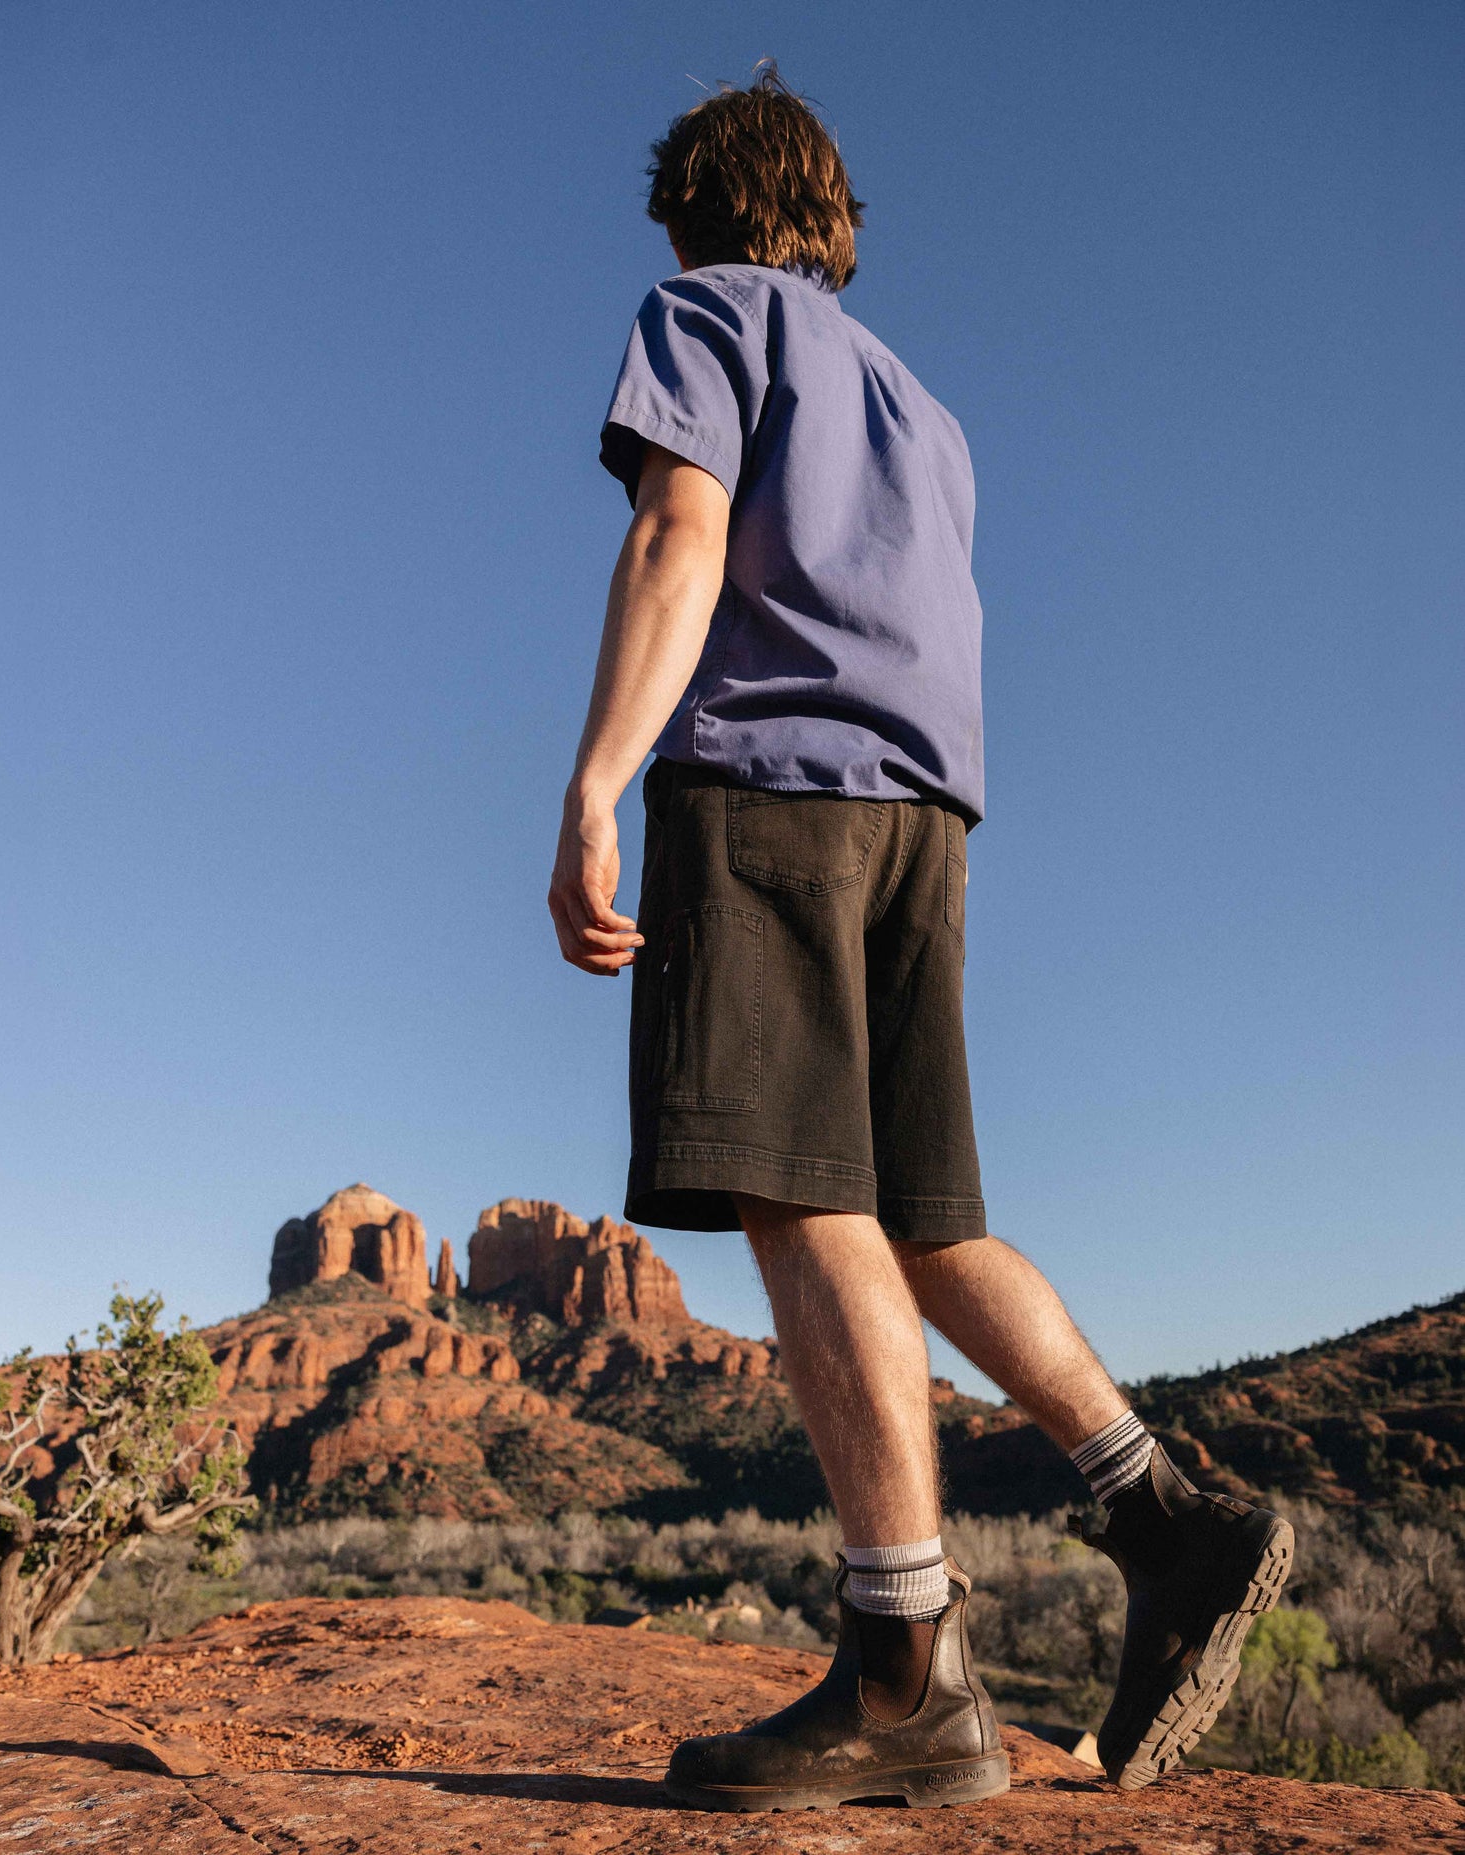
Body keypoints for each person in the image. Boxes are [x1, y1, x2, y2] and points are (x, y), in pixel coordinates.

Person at [547, 64, 1293, 1812]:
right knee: (925, 1219)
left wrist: (596, 781)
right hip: (924, 821)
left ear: (700, 207)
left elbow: (680, 530)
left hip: (771, 799)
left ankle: (906, 1675)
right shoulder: (919, 405)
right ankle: (1165, 1517)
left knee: (797, 1198)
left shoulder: (703, 313)